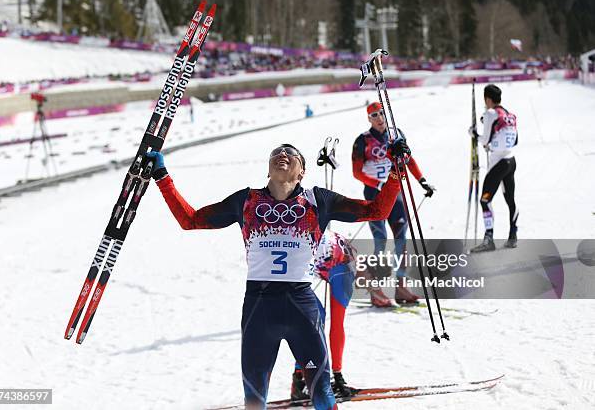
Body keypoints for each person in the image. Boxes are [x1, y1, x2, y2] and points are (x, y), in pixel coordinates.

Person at [146, 140, 410, 410]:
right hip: (259, 309)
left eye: (291, 154)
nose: (282, 154)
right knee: (254, 401)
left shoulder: (318, 200)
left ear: (302, 172)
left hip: (301, 308)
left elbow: (377, 211)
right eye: (276, 153)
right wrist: (162, 177)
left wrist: (395, 171)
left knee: (322, 396)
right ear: (268, 169)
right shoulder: (246, 200)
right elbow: (190, 220)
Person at [351, 102, 434, 307]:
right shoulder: (362, 140)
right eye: (374, 115)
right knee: (381, 239)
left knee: (401, 239)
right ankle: (377, 290)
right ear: (368, 118)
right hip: (374, 195)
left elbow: (408, 159)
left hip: (394, 194)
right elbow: (357, 172)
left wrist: (422, 180)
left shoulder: (397, 134)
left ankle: (401, 286)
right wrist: (379, 183)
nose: (379, 118)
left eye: (381, 113)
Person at [291, 231, 357, 400]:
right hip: (316, 260)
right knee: (314, 316)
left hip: (342, 264)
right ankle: (300, 379)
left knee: (336, 321)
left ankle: (337, 378)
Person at [469, 84, 519, 252]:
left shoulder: (491, 113)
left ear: (487, 99)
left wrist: (473, 133)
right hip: (511, 161)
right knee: (510, 199)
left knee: (485, 200)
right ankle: (513, 234)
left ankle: (488, 239)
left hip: (498, 164)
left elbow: (484, 140)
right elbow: (514, 140)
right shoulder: (509, 114)